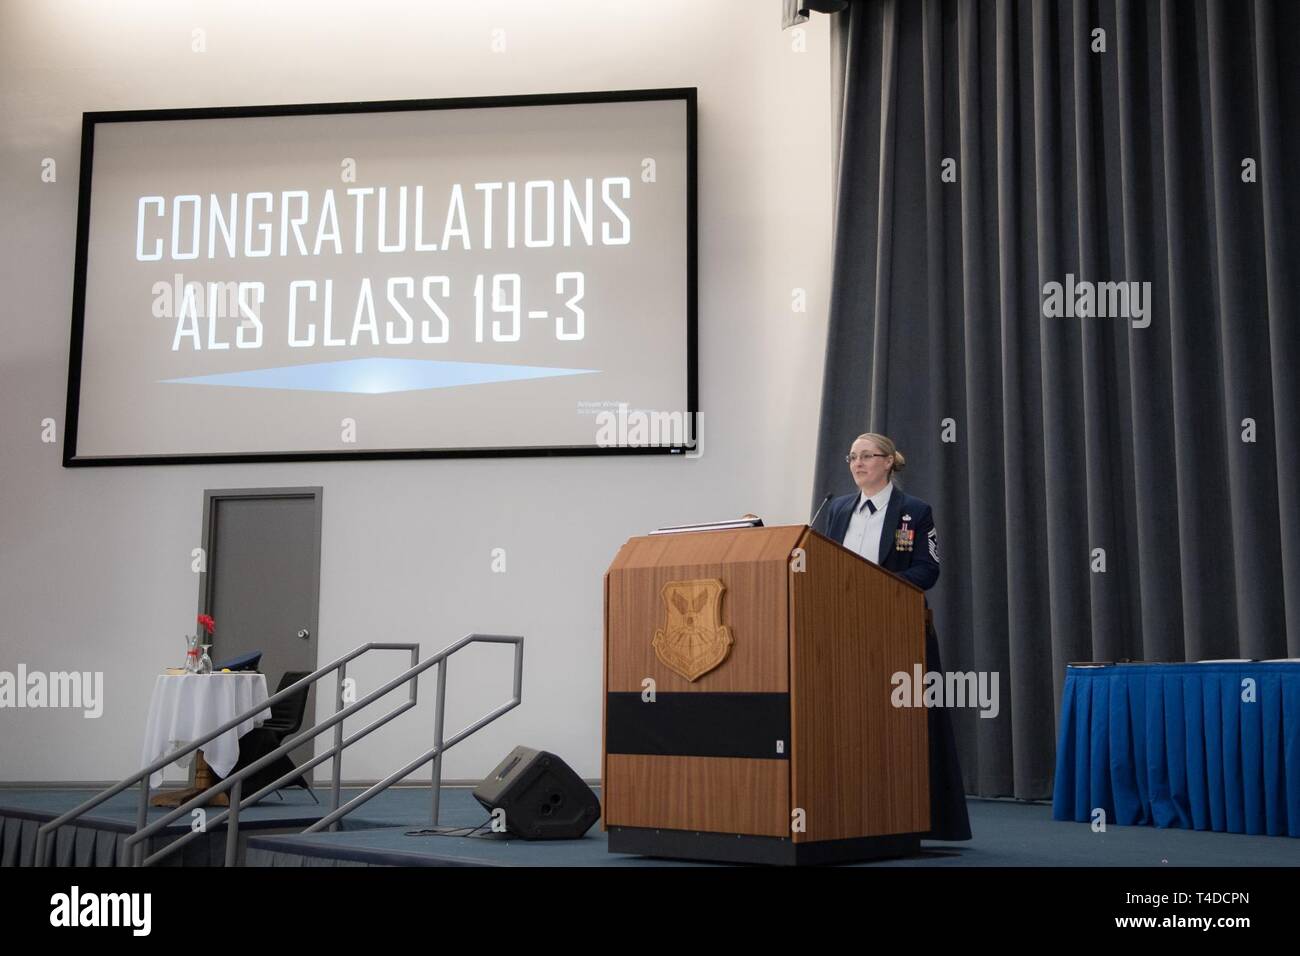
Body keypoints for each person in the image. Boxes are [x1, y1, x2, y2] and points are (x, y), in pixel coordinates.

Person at [819, 432, 972, 843]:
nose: (857, 463)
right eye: (852, 456)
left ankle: (906, 817)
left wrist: (876, 590)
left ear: (889, 462)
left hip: (895, 630)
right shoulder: (835, 509)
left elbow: (927, 570)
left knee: (900, 725)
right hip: (842, 631)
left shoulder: (914, 512)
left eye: (867, 456)